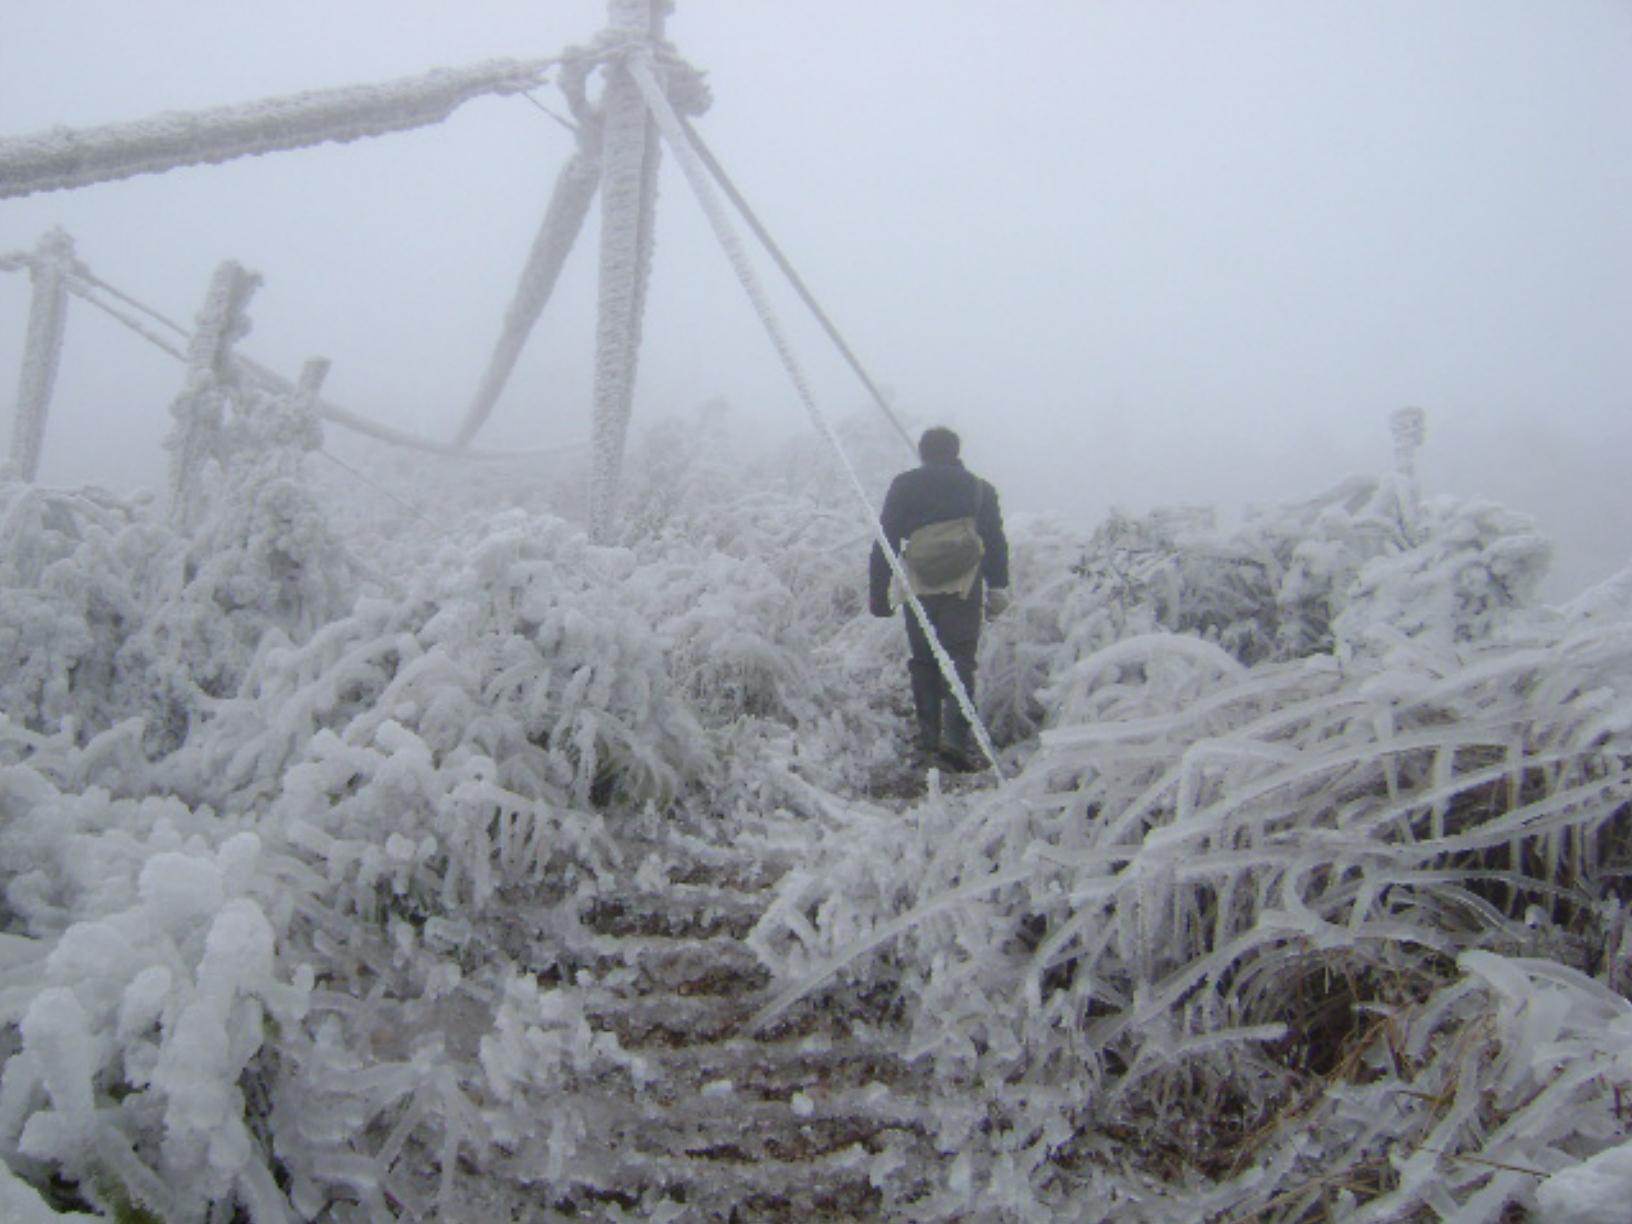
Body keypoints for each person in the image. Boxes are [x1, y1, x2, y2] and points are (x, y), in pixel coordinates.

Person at [869, 426, 1010, 771]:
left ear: (922, 452)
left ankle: (930, 741)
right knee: (960, 657)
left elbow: (885, 537)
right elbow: (994, 541)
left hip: (918, 582)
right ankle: (956, 739)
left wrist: (879, 593)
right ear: (956, 451)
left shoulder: (905, 485)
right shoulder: (980, 489)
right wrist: (997, 587)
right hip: (965, 582)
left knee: (924, 660)